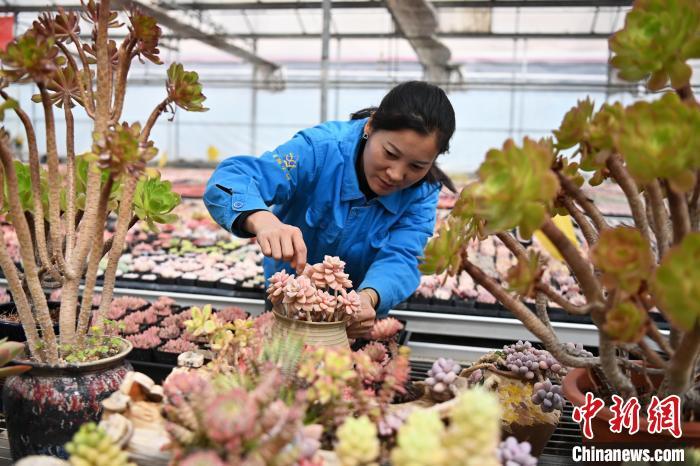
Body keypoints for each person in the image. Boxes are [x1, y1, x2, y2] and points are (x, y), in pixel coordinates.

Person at [204, 81, 456, 337]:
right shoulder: (319, 150)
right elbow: (232, 178)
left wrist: (369, 298)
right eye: (390, 153)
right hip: (288, 300)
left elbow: (403, 255)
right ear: (371, 126)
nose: (396, 174)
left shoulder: (422, 191)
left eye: (417, 166)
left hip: (356, 318)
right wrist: (262, 220)